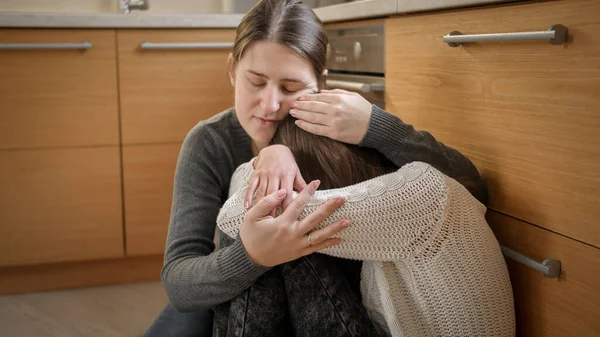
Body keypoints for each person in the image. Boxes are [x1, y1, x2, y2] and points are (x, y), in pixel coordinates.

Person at [142, 0, 486, 336]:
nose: (271, 104)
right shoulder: (210, 142)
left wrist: (378, 127)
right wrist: (251, 257)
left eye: (290, 88)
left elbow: (472, 190)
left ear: (320, 83)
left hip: (330, 302)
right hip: (231, 284)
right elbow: (180, 283)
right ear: (232, 71)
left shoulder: (340, 128)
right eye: (256, 82)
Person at [216, 114, 515, 336]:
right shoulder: (384, 191)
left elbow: (233, 217)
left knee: (273, 242)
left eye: (290, 176)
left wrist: (265, 157)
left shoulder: (420, 192)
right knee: (271, 242)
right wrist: (270, 156)